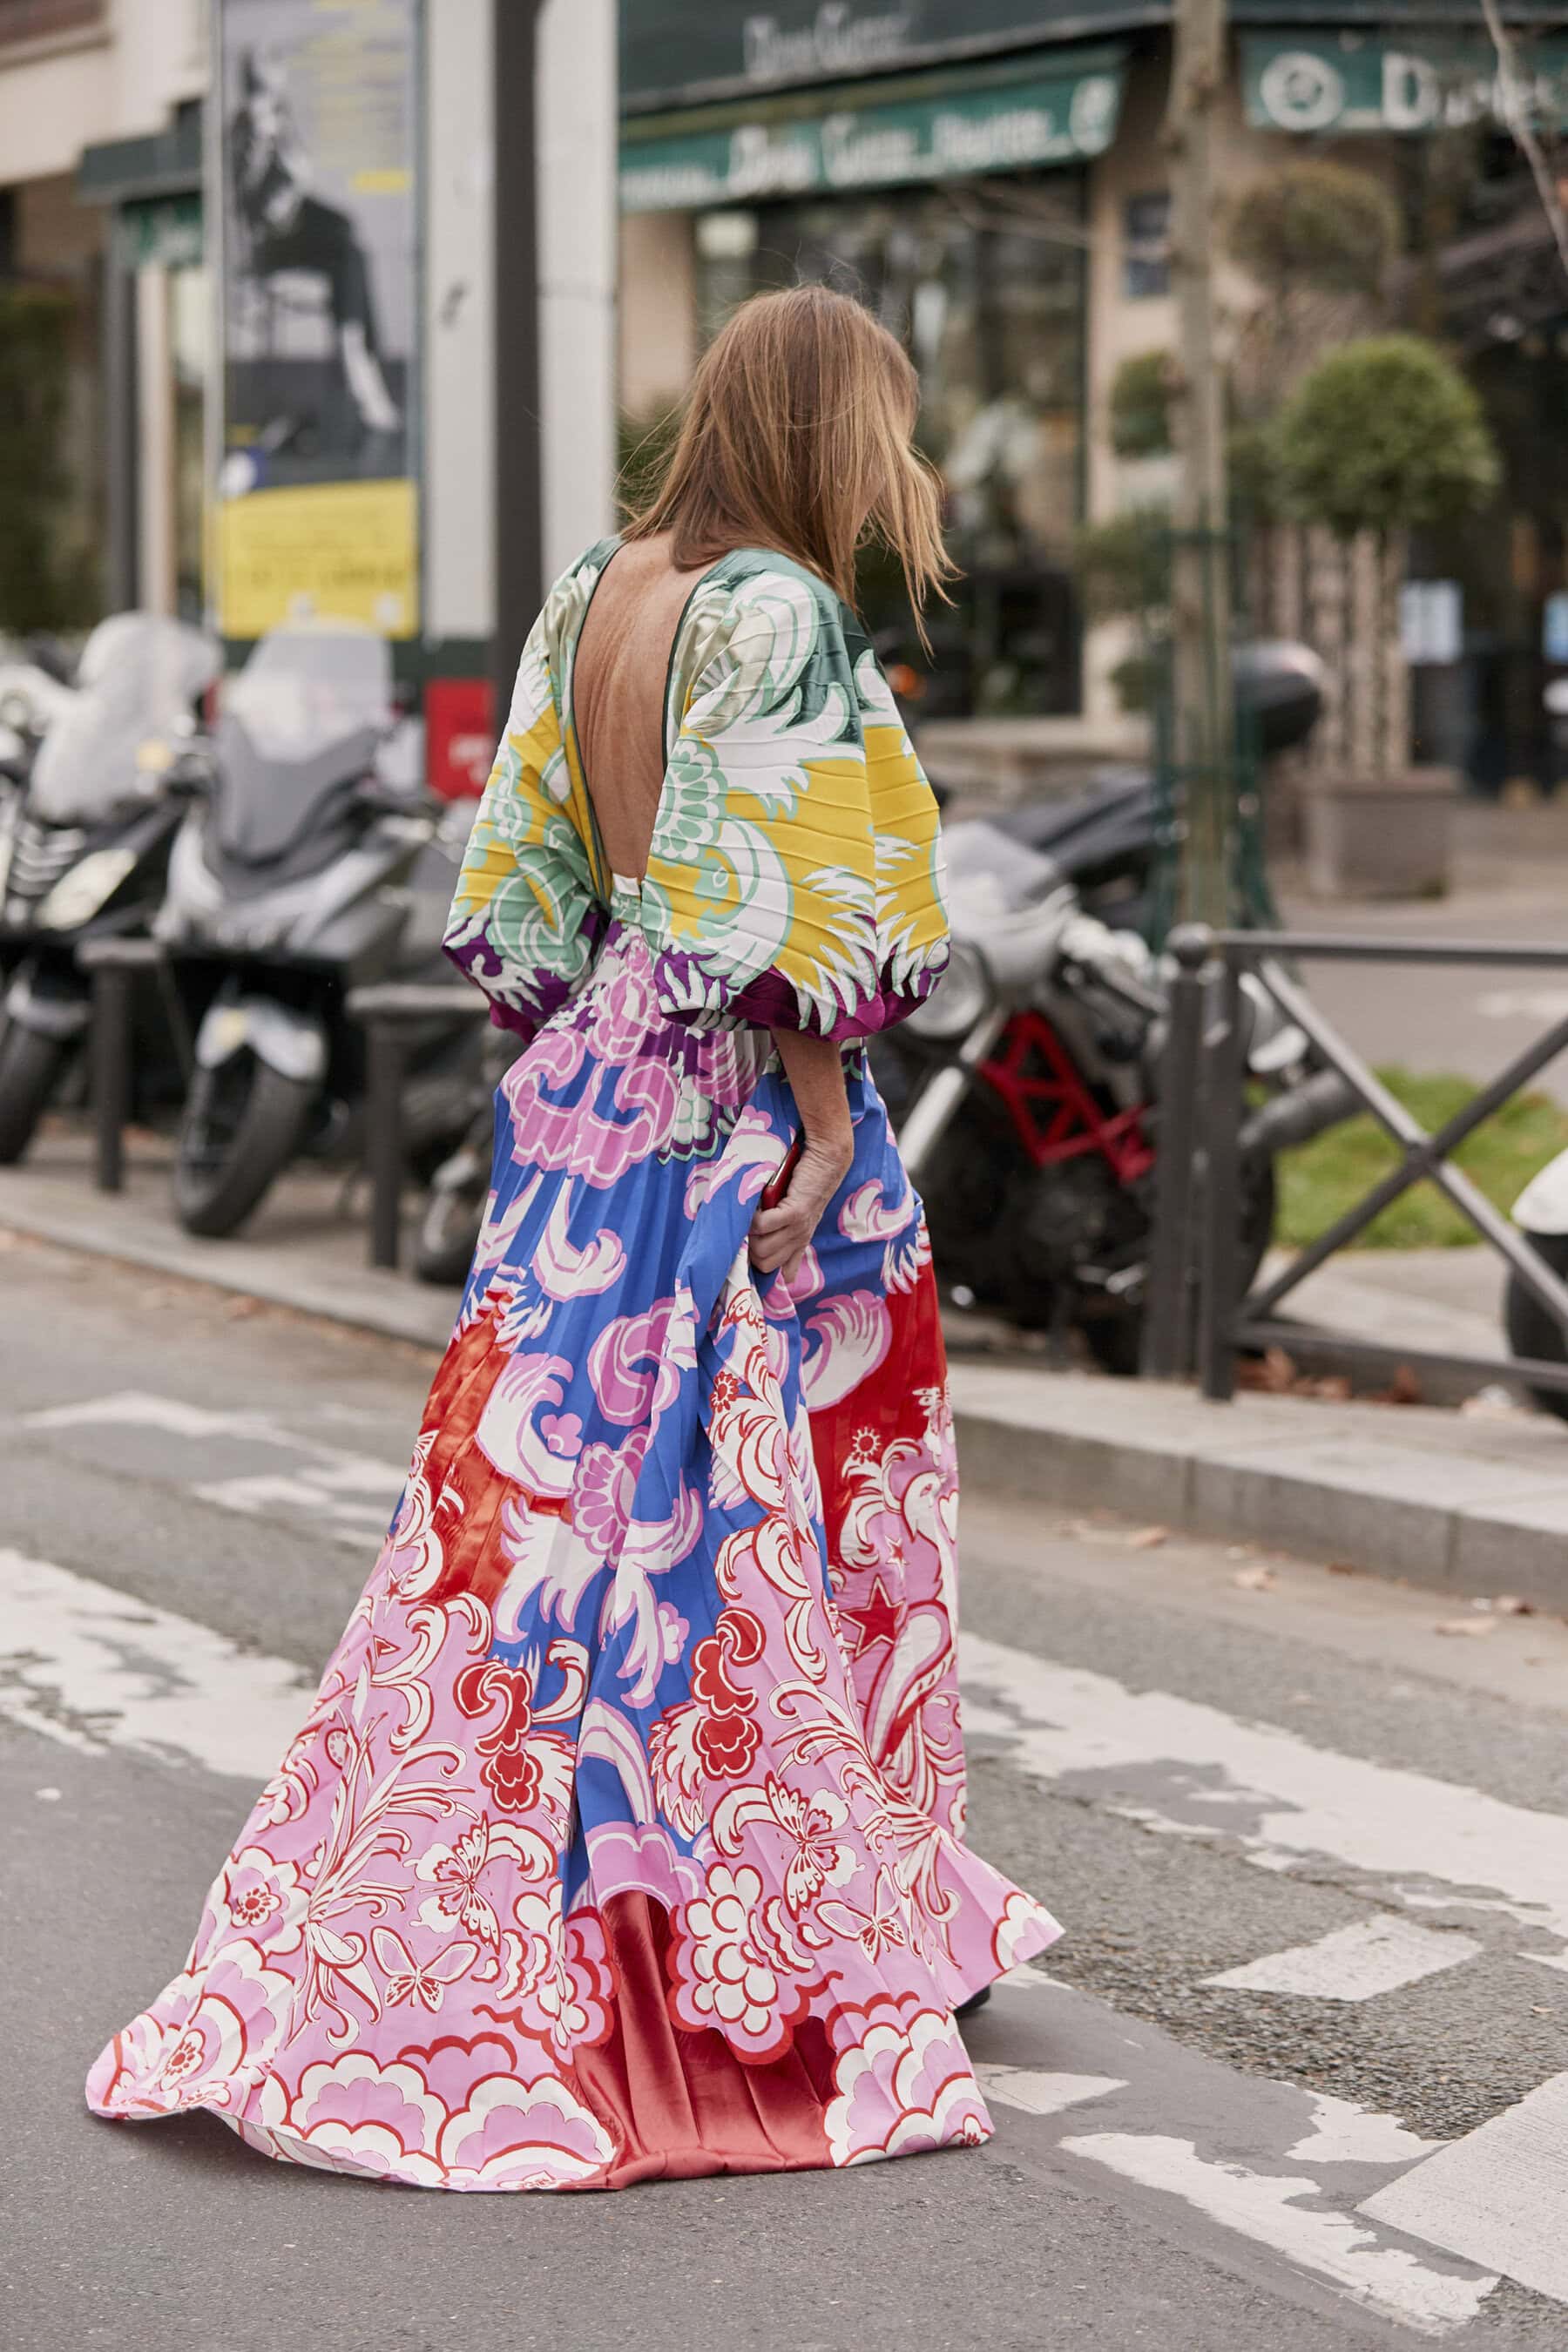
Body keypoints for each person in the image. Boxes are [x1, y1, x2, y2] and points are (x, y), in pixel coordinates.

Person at [85, 286, 1062, 2190]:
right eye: (885, 427)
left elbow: (524, 883)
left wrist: (596, 1055)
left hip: (598, 1079)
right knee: (778, 1505)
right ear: (824, 428)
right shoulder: (781, 612)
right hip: (735, 1096)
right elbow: (782, 902)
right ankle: (735, 1933)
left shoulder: (591, 590)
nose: (903, 467)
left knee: (551, 1515)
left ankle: (482, 1895)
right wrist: (826, 1124)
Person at [229, 48, 402, 437]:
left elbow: (301, 170)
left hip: (293, 225)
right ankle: (357, 361)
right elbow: (243, 201)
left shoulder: (281, 116)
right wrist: (260, 147)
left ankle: (355, 351)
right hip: (268, 243)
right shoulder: (242, 129)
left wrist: (285, 152)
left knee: (351, 247)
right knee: (349, 254)